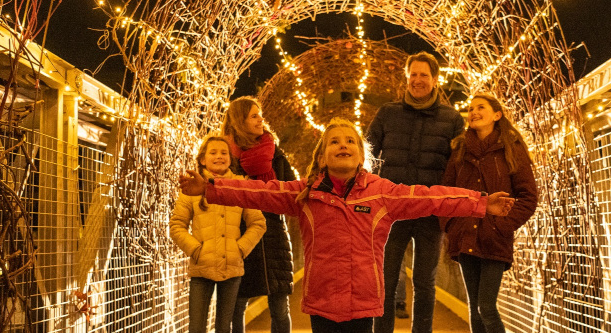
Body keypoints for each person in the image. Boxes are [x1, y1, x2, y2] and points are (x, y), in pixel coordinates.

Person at [179, 117, 516, 333]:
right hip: (321, 301)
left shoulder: (381, 194)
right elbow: (259, 191)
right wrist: (209, 188)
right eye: (335, 141)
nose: (343, 145)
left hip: (364, 302)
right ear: (323, 156)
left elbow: (432, 197)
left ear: (360, 155)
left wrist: (482, 203)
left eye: (350, 141)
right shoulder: (305, 194)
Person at [366, 51, 465, 333]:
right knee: (384, 277)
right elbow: (367, 155)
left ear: (435, 80)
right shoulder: (388, 113)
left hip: (430, 214)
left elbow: (459, 167)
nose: (417, 80)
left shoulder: (453, 119)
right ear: (406, 78)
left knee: (424, 280)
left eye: (424, 75)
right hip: (392, 211)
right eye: (413, 75)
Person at [440, 94, 538, 333]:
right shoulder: (460, 150)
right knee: (475, 309)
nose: (473, 112)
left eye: (480, 107)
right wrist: (451, 225)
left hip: (495, 238)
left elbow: (528, 197)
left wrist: (502, 226)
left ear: (497, 115)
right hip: (464, 236)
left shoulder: (511, 149)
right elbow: (447, 193)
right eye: (471, 108)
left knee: (486, 307)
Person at [169, 135, 267, 333]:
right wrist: (196, 250)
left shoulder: (240, 186)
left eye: (224, 153)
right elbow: (177, 225)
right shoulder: (192, 187)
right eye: (213, 152)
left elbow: (258, 223)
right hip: (201, 268)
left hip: (231, 267)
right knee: (196, 328)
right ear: (203, 159)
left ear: (231, 159)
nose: (219, 156)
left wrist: (239, 249)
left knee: (224, 328)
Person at [221, 96, 295, 333]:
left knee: (280, 307)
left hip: (273, 235)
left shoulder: (273, 150)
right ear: (239, 120)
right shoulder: (225, 153)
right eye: (253, 115)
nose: (260, 119)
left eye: (260, 115)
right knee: (236, 304)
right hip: (238, 234)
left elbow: (291, 187)